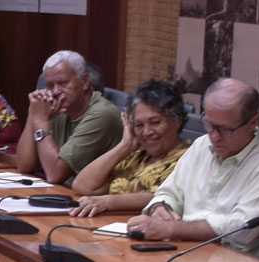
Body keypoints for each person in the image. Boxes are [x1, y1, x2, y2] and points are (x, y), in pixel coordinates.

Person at [124, 78, 259, 258]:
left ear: (253, 122)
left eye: (225, 129)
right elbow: (167, 192)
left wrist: (171, 228)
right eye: (209, 125)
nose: (214, 137)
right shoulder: (201, 146)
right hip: (180, 252)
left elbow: (239, 229)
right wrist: (159, 208)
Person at [71, 79, 191, 217]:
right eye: (139, 125)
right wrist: (124, 146)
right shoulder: (136, 156)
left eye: (155, 122)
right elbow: (82, 186)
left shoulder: (188, 158)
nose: (146, 132)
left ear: (177, 121)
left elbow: (162, 196)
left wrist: (108, 202)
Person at [15, 51, 122, 184]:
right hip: (64, 193)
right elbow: (25, 165)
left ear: (84, 81)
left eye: (63, 83)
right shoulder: (57, 107)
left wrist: (41, 121)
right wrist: (33, 113)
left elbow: (55, 174)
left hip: (94, 200)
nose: (55, 91)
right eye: (50, 85)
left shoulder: (101, 115)